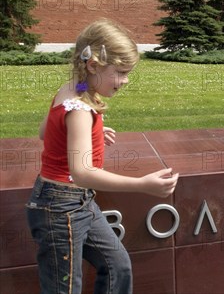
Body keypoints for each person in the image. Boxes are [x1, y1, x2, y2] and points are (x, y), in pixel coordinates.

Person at [26, 19, 179, 294]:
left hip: (78, 203)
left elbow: (44, 131)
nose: (126, 80)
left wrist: (89, 132)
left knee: (117, 266)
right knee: (64, 288)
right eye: (120, 72)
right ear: (93, 65)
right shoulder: (79, 109)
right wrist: (144, 185)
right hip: (60, 210)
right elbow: (83, 173)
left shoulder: (75, 88)